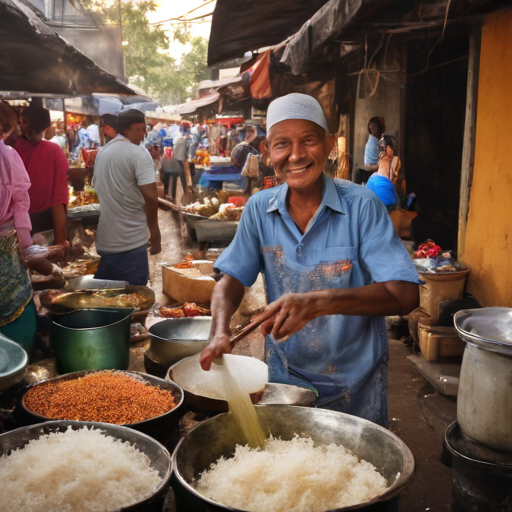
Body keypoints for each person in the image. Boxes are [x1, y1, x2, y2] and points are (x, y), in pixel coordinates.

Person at [200, 93, 419, 429]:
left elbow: (405, 296)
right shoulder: (259, 209)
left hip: (354, 384)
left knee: (351, 474)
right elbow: (230, 279)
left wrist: (319, 302)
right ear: (268, 152)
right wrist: (219, 331)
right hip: (283, 379)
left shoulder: (362, 207)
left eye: (308, 140)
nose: (295, 155)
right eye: (282, 144)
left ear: (329, 144)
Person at [0, 102, 62, 352]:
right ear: (7, 127)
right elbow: (27, 250)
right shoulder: (8, 156)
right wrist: (54, 269)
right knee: (13, 359)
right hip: (8, 292)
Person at [93, 109, 161, 285]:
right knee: (134, 306)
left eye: (143, 129)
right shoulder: (139, 154)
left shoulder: (103, 152)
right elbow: (151, 198)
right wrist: (155, 234)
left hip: (106, 244)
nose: (142, 134)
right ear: (125, 130)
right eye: (137, 129)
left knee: (108, 304)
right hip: (130, 245)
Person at [14, 104, 69, 246]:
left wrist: (60, 242)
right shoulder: (13, 148)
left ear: (36, 124)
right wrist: (61, 242)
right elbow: (58, 200)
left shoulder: (51, 150)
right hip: (29, 225)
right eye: (20, 122)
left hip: (28, 225)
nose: (20, 126)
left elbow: (58, 199)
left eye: (24, 122)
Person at [366, 135, 400, 212]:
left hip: (371, 181)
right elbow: (392, 181)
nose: (392, 151)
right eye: (391, 148)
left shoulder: (381, 158)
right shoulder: (391, 159)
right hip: (381, 185)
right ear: (388, 149)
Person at [352, 116, 385, 184]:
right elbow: (382, 155)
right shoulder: (376, 141)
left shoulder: (376, 140)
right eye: (373, 126)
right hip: (372, 169)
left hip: (372, 168)